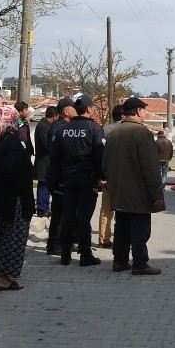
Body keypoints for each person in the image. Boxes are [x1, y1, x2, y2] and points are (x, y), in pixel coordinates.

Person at [104, 97, 165, 276]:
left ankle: (119, 261)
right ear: (138, 111)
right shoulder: (142, 133)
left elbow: (105, 163)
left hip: (118, 190)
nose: (145, 113)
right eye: (144, 110)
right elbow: (151, 167)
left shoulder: (114, 132)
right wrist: (156, 194)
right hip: (138, 193)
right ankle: (140, 263)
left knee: (121, 227)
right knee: (140, 230)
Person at [0, 106, 35, 290]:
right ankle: (3, 278)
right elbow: (14, 171)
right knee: (11, 238)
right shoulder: (12, 142)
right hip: (13, 200)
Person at [48, 93, 104, 267]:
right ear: (88, 109)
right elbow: (100, 156)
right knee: (84, 218)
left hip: (67, 179)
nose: (94, 110)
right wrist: (103, 177)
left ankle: (65, 254)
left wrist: (56, 179)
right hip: (87, 179)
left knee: (69, 215)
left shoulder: (64, 128)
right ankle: (85, 254)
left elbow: (55, 157)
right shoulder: (94, 129)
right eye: (93, 107)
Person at [44, 97, 76, 255]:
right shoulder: (59, 128)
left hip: (62, 175)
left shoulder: (65, 126)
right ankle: (55, 244)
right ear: (66, 110)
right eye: (73, 108)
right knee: (60, 212)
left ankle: (63, 241)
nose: (76, 110)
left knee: (65, 211)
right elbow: (56, 154)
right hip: (59, 177)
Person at [98, 105, 124, 248]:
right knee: (125, 210)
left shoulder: (104, 130)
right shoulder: (128, 131)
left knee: (106, 210)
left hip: (108, 176)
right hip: (125, 177)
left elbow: (100, 154)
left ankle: (104, 239)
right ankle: (125, 240)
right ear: (123, 116)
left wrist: (102, 174)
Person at [32, 106, 56, 218]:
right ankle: (41, 209)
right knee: (43, 185)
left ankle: (45, 207)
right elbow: (47, 144)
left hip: (47, 162)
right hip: (43, 162)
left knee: (47, 185)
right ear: (54, 116)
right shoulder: (43, 127)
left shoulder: (47, 126)